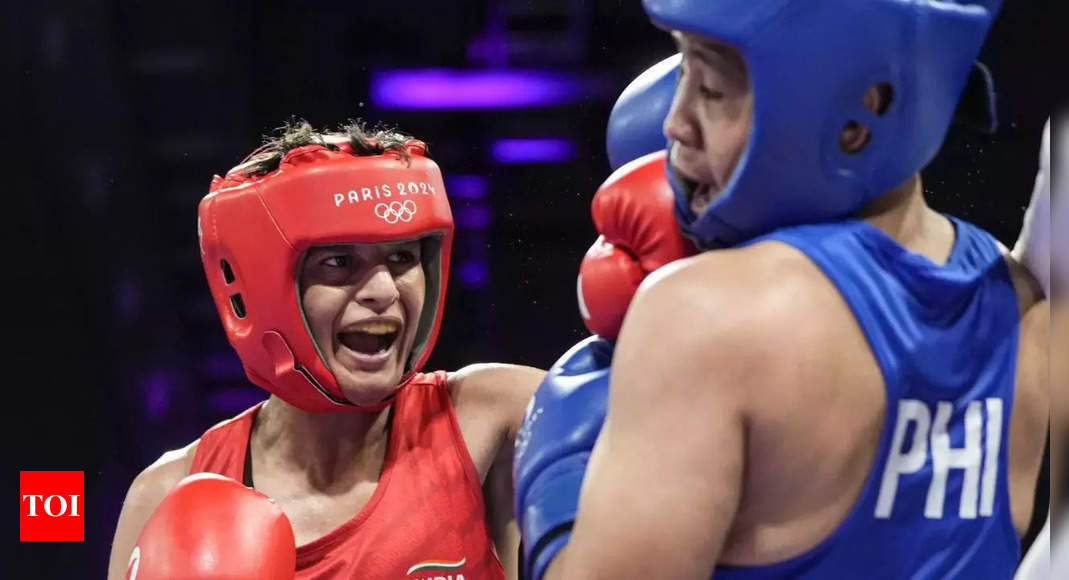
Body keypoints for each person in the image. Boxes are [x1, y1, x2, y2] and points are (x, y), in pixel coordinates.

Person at [515, 1, 1050, 578]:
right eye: (681, 69)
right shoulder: (1022, 306)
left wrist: (560, 495)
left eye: (712, 87)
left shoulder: (705, 316)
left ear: (858, 117)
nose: (674, 121)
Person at [107, 120, 544, 579]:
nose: (383, 290)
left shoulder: (497, 417)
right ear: (263, 288)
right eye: (338, 262)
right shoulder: (164, 495)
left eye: (402, 258)